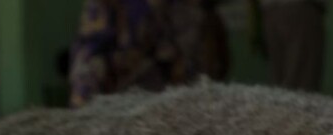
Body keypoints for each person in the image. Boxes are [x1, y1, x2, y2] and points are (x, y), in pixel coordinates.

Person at [69, 0, 230, 107]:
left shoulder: (193, 9)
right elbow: (89, 60)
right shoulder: (111, 6)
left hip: (185, 110)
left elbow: (211, 64)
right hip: (123, 113)